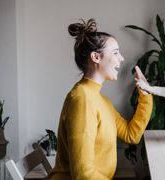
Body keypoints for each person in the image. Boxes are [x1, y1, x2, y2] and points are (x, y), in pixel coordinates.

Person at [49, 18, 153, 180]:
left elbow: (131, 135)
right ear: (96, 57)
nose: (122, 58)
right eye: (116, 52)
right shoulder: (81, 99)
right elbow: (83, 175)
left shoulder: (100, 100)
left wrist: (145, 95)